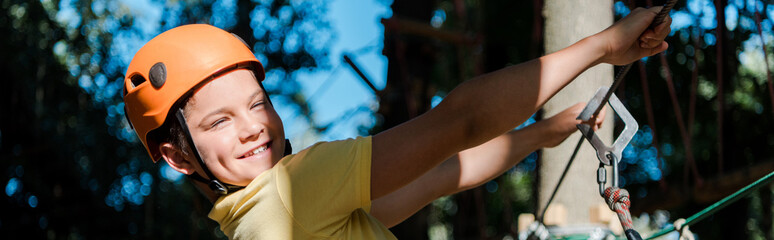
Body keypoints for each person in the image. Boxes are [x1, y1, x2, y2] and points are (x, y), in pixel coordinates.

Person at [122, 6, 670, 239]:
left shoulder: (265, 223)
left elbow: (440, 174)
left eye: (257, 103)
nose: (251, 127)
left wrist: (542, 133)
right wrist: (603, 47)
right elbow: (460, 122)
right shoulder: (293, 191)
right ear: (177, 155)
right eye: (219, 121)